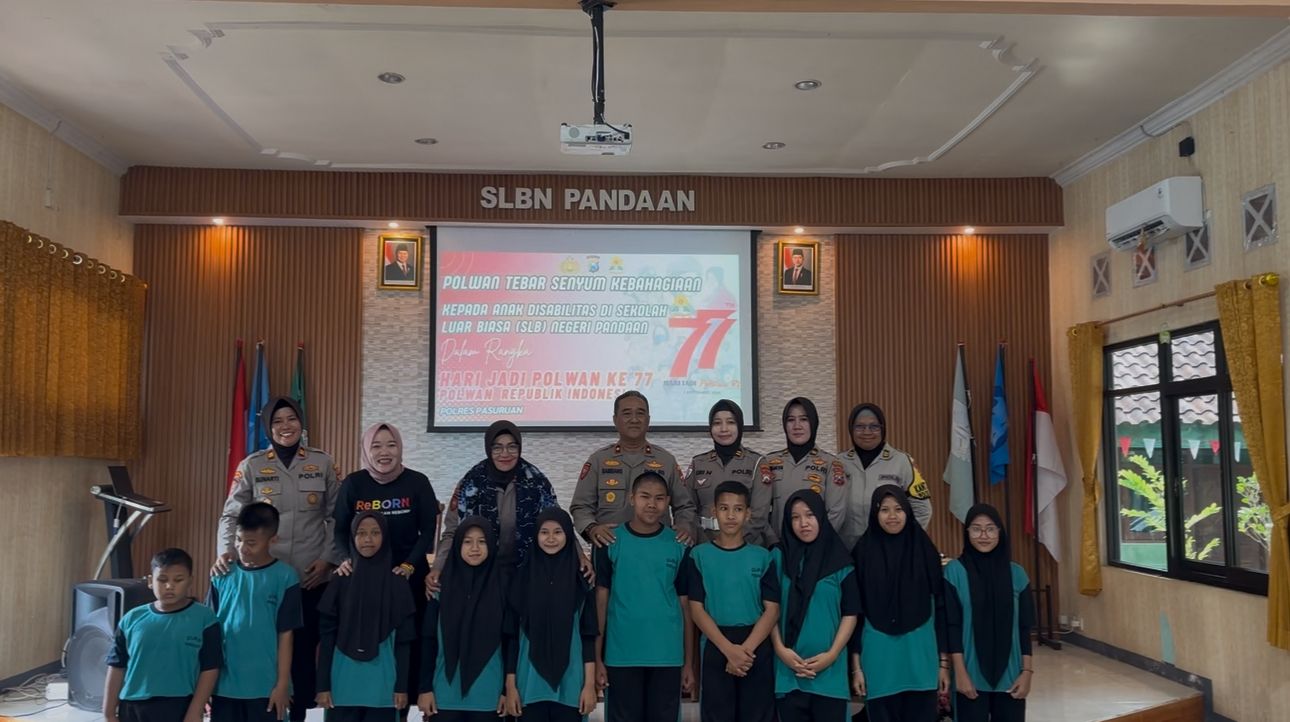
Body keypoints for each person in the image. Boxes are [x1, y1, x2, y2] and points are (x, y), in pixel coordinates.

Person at [216, 396, 341, 722]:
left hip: (309, 578)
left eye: (291, 419)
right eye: (277, 421)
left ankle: (295, 715)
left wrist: (328, 560)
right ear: (268, 428)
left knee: (302, 654)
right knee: (263, 648)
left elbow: (337, 517)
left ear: (301, 422)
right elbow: (231, 515)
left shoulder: (323, 463)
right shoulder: (252, 466)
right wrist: (226, 552)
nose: (286, 426)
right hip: (263, 579)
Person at [334, 422, 439, 714]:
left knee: (407, 645)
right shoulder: (354, 484)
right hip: (365, 582)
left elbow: (428, 531)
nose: (384, 452)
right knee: (370, 645)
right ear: (366, 450)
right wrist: (345, 559)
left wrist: (409, 565)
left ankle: (404, 708)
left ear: (400, 448)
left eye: (391, 445)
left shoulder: (417, 482)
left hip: (407, 578)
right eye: (376, 446)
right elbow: (340, 530)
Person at [594, 472, 695, 722]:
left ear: (668, 501)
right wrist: (596, 658)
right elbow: (601, 602)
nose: (652, 504)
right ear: (631, 498)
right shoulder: (609, 542)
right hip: (621, 656)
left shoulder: (679, 544)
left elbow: (686, 606)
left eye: (659, 498)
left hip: (667, 656)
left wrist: (689, 662)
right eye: (645, 497)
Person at [850, 486, 949, 722]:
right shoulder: (862, 553)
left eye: (898, 509)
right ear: (875, 513)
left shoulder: (925, 551)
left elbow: (941, 609)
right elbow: (855, 615)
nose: (892, 516)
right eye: (884, 510)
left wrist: (943, 664)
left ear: (908, 511)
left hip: (920, 658)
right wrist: (856, 668)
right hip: (879, 660)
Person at [685, 482, 780, 722]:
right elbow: (696, 609)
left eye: (738, 509)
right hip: (716, 644)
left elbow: (772, 610)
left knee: (758, 714)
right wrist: (729, 651)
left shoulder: (762, 557)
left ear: (748, 514)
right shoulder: (699, 556)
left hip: (755, 646)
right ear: (714, 512)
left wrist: (744, 652)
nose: (730, 515)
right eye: (724, 508)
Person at [316, 512, 417, 721]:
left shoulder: (397, 583)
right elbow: (326, 639)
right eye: (361, 533)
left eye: (375, 533)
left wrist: (401, 687)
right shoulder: (340, 580)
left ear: (385, 536)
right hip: (342, 685)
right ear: (352, 537)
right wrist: (323, 686)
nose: (368, 539)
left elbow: (404, 643)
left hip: (384, 687)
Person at [207, 503, 303, 722]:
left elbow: (286, 635)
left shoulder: (286, 577)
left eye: (251, 543)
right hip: (224, 686)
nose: (242, 548)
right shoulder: (221, 574)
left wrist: (282, 685)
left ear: (273, 540)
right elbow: (209, 632)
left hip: (266, 686)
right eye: (238, 540)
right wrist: (205, 684)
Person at [431, 420, 558, 584]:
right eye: (497, 447)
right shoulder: (470, 483)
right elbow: (453, 531)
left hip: (527, 572)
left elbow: (557, 523)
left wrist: (580, 555)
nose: (505, 454)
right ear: (488, 449)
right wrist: (438, 567)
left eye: (512, 447)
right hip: (480, 574)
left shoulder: (537, 481)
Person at [502, 508, 599, 722]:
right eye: (544, 532)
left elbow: (588, 636)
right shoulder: (521, 580)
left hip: (572, 687)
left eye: (558, 532)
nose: (551, 538)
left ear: (568, 535)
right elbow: (511, 638)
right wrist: (510, 687)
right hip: (528, 685)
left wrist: (589, 685)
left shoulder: (582, 581)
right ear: (536, 536)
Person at [104, 548, 222, 722]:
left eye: (178, 580)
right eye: (162, 579)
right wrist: (108, 713)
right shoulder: (131, 618)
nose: (169, 586)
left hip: (179, 706)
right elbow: (116, 666)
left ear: (190, 581)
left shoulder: (205, 618)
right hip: (132, 706)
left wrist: (196, 710)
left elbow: (210, 668)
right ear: (150, 581)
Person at [769, 491, 858, 722]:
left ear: (821, 516)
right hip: (789, 672)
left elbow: (850, 613)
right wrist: (780, 650)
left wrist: (832, 654)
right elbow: (769, 609)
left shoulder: (841, 561)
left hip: (830, 674)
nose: (803, 523)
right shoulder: (778, 557)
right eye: (795, 517)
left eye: (809, 515)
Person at [571, 391, 697, 548]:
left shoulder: (666, 461)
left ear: (648, 420)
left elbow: (684, 506)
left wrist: (685, 527)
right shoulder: (598, 460)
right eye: (627, 413)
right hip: (610, 547)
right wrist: (592, 528)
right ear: (615, 420)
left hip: (658, 547)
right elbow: (581, 506)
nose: (634, 419)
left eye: (640, 413)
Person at [944, 504, 1034, 722]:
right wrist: (960, 673)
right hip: (970, 677)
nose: (983, 535)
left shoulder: (1017, 574)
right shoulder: (954, 572)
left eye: (990, 529)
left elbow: (1024, 628)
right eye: (976, 529)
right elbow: (952, 626)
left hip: (1011, 678)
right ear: (967, 533)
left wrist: (1027, 673)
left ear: (1000, 532)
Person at [419, 518, 509, 722]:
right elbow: (428, 642)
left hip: (489, 695)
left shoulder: (503, 589)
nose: (474, 548)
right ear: (458, 544)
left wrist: (506, 690)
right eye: (467, 542)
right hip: (444, 694)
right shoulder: (439, 590)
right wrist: (424, 688)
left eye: (482, 541)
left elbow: (509, 643)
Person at [838, 403, 933, 549]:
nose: (867, 432)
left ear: (883, 429)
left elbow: (922, 509)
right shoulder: (838, 462)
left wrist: (905, 541)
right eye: (860, 427)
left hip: (888, 550)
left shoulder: (902, 461)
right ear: (851, 429)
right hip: (847, 549)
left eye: (874, 426)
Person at [683, 400, 772, 546]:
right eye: (717, 423)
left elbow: (759, 515)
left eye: (730, 422)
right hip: (705, 545)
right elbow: (687, 507)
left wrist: (731, 544)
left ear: (740, 426)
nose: (724, 429)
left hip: (746, 546)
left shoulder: (756, 463)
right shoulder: (698, 463)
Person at [764, 398, 847, 544]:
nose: (797, 426)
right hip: (779, 547)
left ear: (813, 423)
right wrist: (773, 543)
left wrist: (817, 543)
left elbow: (837, 512)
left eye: (804, 419)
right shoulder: (769, 462)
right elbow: (760, 510)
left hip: (816, 546)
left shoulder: (831, 464)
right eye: (791, 420)